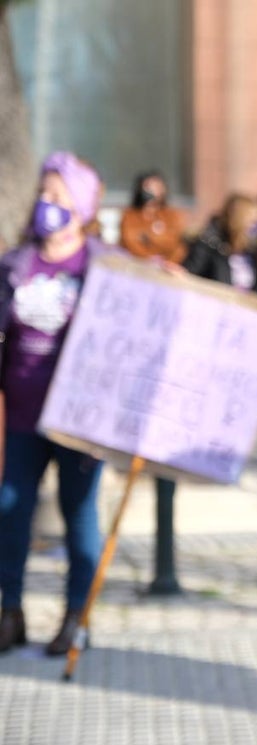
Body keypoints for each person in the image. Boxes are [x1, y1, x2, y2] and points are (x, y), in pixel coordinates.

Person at [0, 152, 123, 656]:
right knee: (12, 511)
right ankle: (11, 612)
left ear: (82, 207)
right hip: (24, 413)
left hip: (79, 420)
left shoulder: (103, 265)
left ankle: (77, 617)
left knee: (79, 515)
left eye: (57, 196)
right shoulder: (16, 263)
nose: (46, 204)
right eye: (43, 194)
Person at [182, 193, 257, 291]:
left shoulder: (252, 251)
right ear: (239, 221)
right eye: (252, 222)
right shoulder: (209, 244)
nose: (255, 228)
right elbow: (189, 274)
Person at [118, 170, 187, 264]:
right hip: (137, 267)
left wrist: (149, 238)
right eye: (149, 187)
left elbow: (176, 245)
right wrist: (149, 259)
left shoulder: (171, 216)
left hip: (167, 268)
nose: (154, 192)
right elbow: (131, 243)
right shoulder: (130, 216)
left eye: (158, 187)